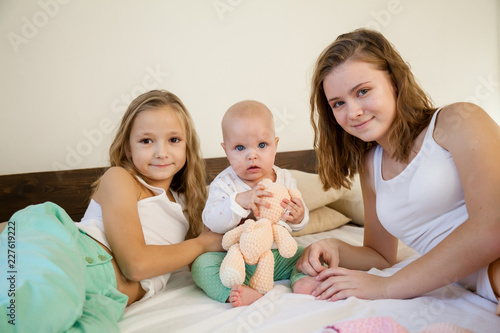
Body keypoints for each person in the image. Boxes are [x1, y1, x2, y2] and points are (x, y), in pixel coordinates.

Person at [295, 28, 500, 314]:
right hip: (483, 282)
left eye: (362, 91)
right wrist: (334, 246)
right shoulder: (370, 165)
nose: (352, 112)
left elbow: (492, 228)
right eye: (338, 103)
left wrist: (386, 287)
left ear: (394, 81)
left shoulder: (457, 121)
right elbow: (380, 255)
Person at [0, 90, 223, 332]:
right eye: (146, 140)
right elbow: (135, 265)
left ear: (188, 146)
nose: (161, 152)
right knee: (33, 313)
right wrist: (201, 244)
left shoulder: (188, 207)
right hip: (69, 251)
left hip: (106, 298)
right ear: (128, 148)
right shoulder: (120, 179)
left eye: (174, 140)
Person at [192, 100, 311, 307]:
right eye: (239, 147)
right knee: (201, 266)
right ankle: (235, 292)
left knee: (309, 254)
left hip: (276, 257)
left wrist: (299, 216)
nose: (252, 155)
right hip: (236, 260)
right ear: (226, 150)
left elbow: (295, 223)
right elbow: (211, 220)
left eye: (262, 145)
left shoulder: (284, 178)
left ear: (275, 145)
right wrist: (240, 201)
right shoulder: (224, 183)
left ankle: (303, 281)